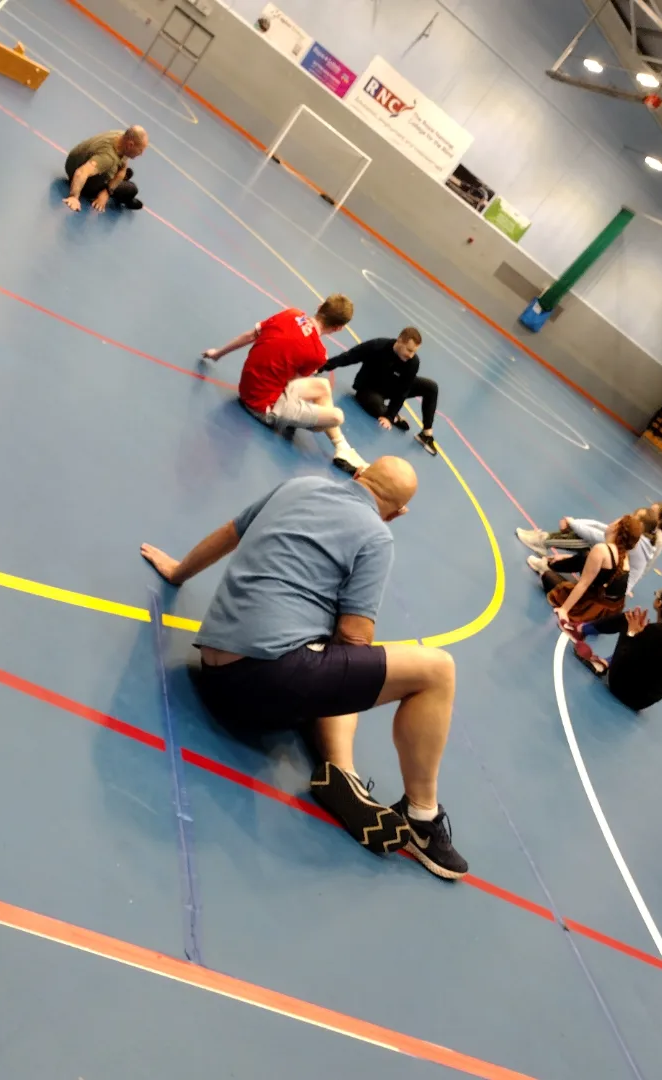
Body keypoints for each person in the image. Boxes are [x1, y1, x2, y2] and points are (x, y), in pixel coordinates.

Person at [140, 457, 468, 880]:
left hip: (213, 667)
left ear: (357, 475)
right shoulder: (376, 535)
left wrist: (178, 571)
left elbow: (230, 533)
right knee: (437, 669)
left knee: (328, 655)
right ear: (398, 512)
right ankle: (422, 817)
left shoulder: (298, 485)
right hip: (262, 687)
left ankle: (341, 774)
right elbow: (354, 641)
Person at [202, 296, 367, 475]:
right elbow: (292, 382)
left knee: (324, 386)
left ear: (320, 306)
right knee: (337, 416)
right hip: (261, 406)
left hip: (247, 386)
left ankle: (342, 448)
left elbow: (250, 335)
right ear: (338, 328)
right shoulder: (318, 353)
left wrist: (217, 353)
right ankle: (340, 445)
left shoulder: (291, 314)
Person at [320, 327, 440, 456]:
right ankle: (394, 417)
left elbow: (403, 391)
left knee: (431, 387)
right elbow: (350, 356)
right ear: (399, 340)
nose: (410, 355)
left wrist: (389, 416)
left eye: (414, 352)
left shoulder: (412, 362)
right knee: (376, 406)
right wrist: (322, 366)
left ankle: (426, 434)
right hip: (369, 388)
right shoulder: (378, 346)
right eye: (409, 350)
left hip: (392, 387)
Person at [572, 585, 662, 711]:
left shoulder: (655, 632)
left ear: (659, 604)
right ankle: (604, 663)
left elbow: (627, 656)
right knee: (638, 637)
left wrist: (632, 634)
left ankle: (582, 630)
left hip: (623, 691)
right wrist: (640, 634)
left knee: (627, 620)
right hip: (644, 701)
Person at [518, 501, 662, 596]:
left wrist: (573, 524)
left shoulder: (638, 542)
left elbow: (600, 536)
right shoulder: (638, 534)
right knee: (588, 540)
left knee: (590, 546)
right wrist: (574, 522)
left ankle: (544, 544)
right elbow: (603, 528)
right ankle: (544, 542)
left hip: (611, 585)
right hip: (612, 572)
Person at [532, 515, 643, 628]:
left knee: (548, 577)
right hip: (610, 611)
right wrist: (566, 557)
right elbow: (589, 562)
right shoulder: (624, 555)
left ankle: (546, 566)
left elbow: (584, 583)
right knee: (586, 556)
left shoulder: (602, 549)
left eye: (614, 521)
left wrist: (564, 609)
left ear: (616, 528)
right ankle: (552, 564)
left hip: (594, 608)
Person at [63, 126, 148, 213]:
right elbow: (81, 172)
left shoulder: (121, 136)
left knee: (126, 172)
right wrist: (74, 197)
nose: (141, 154)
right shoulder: (107, 158)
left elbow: (123, 167)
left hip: (74, 164)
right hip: (84, 183)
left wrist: (107, 192)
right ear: (130, 145)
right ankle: (127, 199)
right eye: (140, 150)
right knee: (131, 189)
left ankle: (119, 178)